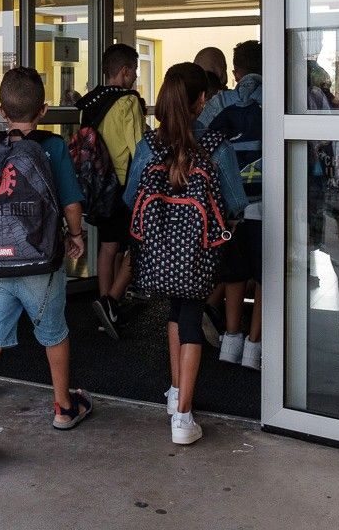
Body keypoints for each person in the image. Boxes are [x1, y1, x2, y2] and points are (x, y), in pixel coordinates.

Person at [0, 67, 91, 468]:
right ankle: (64, 406)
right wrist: (76, 235)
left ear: (1, 111)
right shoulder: (53, 146)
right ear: (44, 109)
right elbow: (70, 202)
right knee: (53, 333)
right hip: (38, 261)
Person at [124, 63, 247, 442]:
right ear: (201, 101)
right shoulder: (214, 146)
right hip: (198, 251)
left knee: (177, 314)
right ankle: (183, 417)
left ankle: (176, 392)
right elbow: (236, 201)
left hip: (159, 252)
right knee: (190, 319)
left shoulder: (150, 145)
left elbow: (131, 197)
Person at [75, 43, 145, 339]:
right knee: (135, 247)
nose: (135, 78)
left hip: (97, 184)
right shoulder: (129, 102)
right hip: (123, 185)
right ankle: (110, 303)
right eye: (135, 72)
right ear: (126, 72)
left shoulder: (90, 102)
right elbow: (139, 148)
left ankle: (105, 309)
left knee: (107, 246)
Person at [201, 39, 264, 370]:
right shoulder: (278, 100)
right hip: (269, 205)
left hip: (228, 208)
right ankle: (255, 348)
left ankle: (231, 340)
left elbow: (201, 143)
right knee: (266, 277)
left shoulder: (221, 103)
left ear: (236, 71)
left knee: (234, 273)